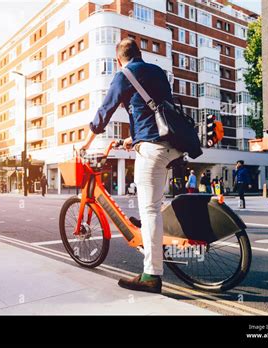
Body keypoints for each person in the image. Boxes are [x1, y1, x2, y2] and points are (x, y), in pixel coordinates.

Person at [79, 38, 181, 294]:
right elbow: (157, 113)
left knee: (149, 210)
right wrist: (130, 139)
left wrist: (85, 142)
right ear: (140, 53)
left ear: (118, 59)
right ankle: (153, 236)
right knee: (154, 205)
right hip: (173, 143)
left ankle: (151, 275)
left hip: (153, 148)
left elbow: (105, 111)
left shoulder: (124, 74)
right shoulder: (157, 71)